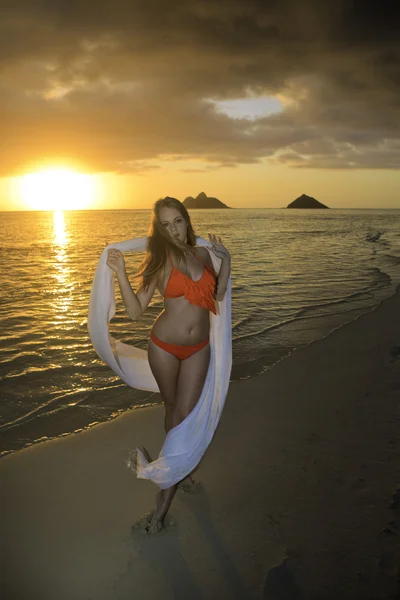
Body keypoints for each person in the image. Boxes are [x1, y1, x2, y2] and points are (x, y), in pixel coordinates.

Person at [105, 197, 231, 531]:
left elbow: (217, 296)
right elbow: (135, 312)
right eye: (166, 224)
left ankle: (173, 475)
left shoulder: (204, 254)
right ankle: (169, 493)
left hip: (198, 349)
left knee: (182, 418)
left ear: (187, 221)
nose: (173, 228)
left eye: (178, 221)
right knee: (174, 411)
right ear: (159, 228)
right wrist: (119, 273)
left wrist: (227, 262)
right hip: (163, 347)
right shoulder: (159, 260)